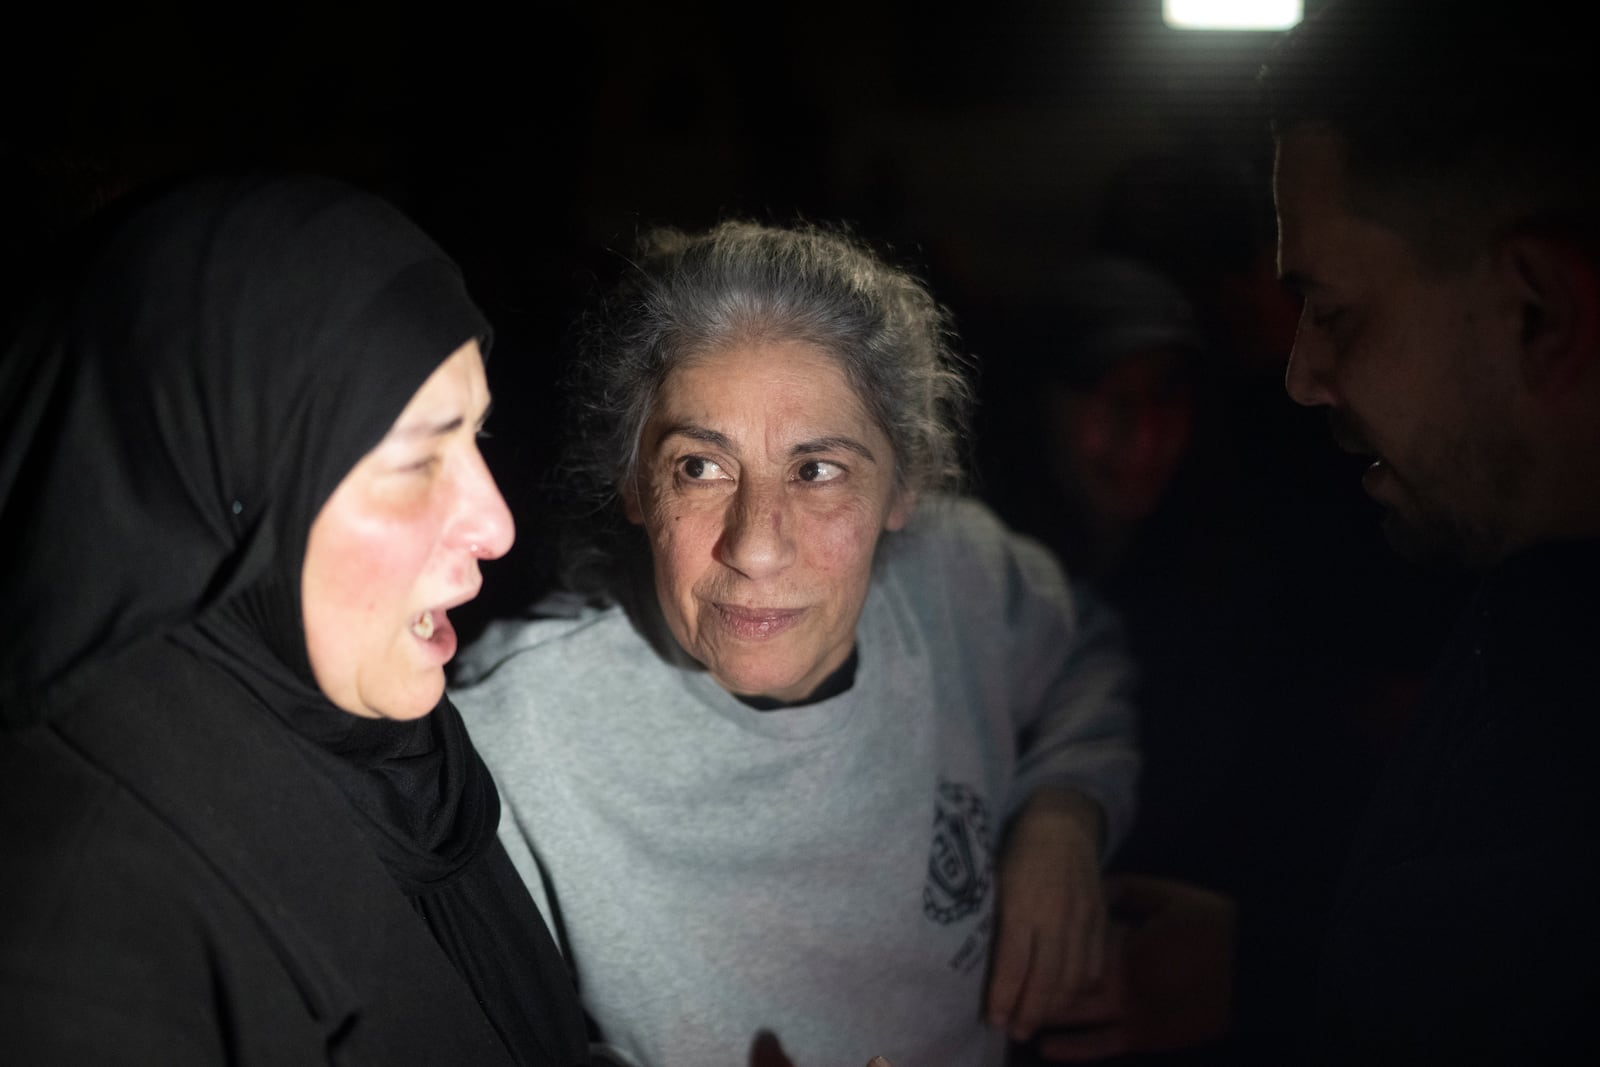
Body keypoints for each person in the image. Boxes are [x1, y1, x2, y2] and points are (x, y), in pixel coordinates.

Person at [1038, 0, 1600, 1061]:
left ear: (1537, 313)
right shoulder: (1529, 581)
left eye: (1334, 313)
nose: (1300, 376)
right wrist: (1278, 963)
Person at [449, 219, 1141, 1067]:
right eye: (700, 466)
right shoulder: (512, 736)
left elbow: (1093, 660)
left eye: (817, 471)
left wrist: (1065, 809)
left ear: (906, 485)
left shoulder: (959, 578)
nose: (756, 545)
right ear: (635, 485)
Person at [0, 171, 591, 1065]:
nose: (498, 523)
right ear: (219, 486)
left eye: (477, 436)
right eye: (415, 461)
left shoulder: (396, 758)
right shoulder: (71, 935)